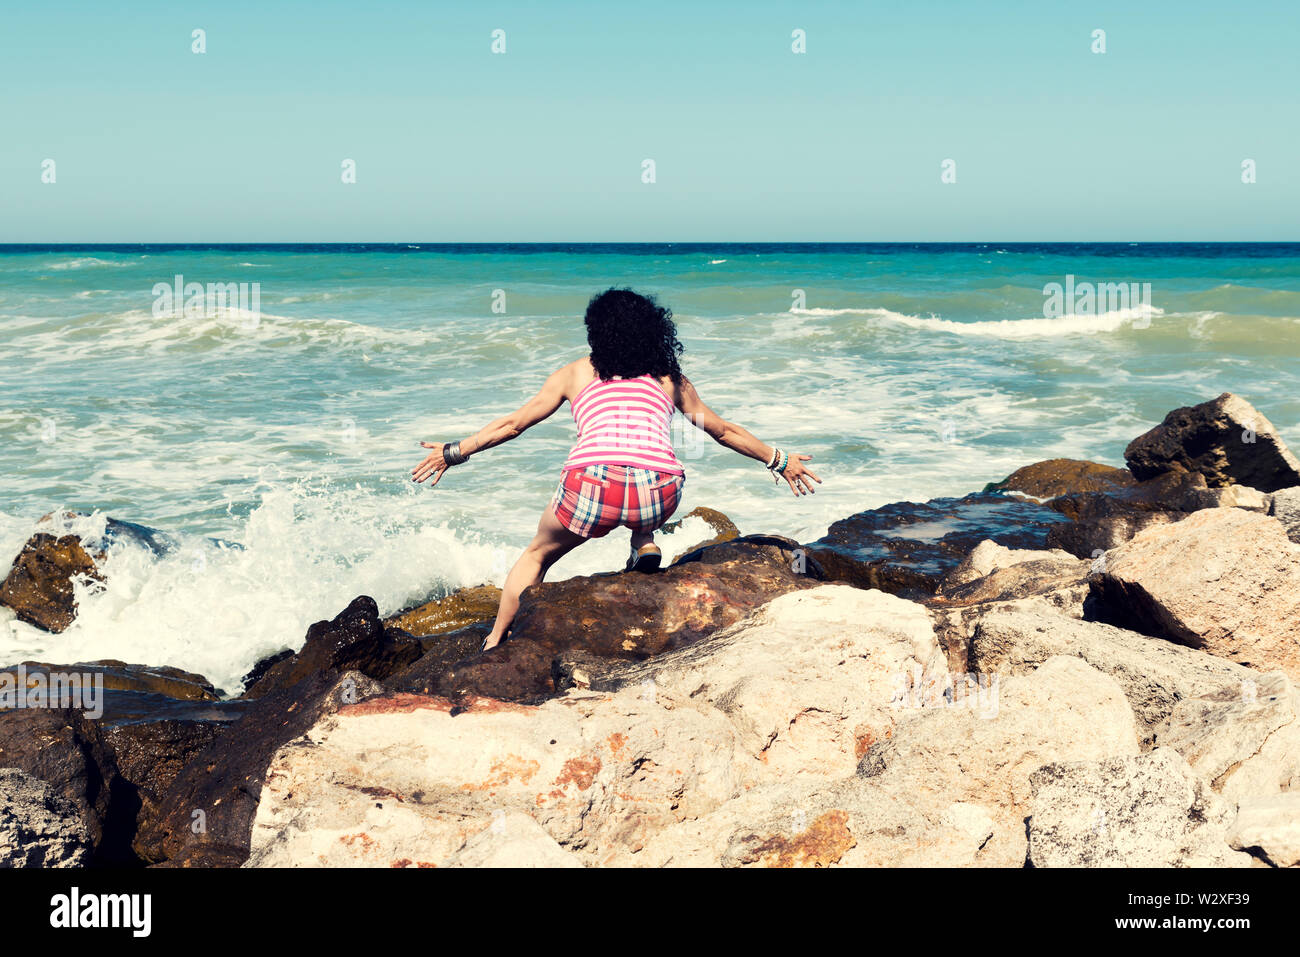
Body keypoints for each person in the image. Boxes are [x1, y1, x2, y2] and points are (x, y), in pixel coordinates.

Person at [411, 288, 821, 651]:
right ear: (653, 331)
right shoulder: (669, 379)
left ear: (596, 331)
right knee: (645, 483)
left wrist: (454, 452)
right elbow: (723, 431)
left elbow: (514, 424)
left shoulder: (574, 372)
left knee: (536, 556)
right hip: (659, 492)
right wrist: (779, 460)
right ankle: (644, 539)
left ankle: (498, 637)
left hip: (591, 488)